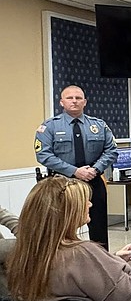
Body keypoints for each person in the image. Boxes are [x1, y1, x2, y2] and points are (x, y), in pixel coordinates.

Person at [5, 176, 131, 301]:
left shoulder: (24, 255)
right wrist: (130, 264)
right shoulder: (82, 254)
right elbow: (127, 298)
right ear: (67, 212)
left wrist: (111, 260)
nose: (90, 204)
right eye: (84, 201)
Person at [34, 85, 118, 248]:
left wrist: (95, 169)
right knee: (60, 225)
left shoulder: (99, 125)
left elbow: (111, 150)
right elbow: (43, 154)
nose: (74, 101)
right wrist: (74, 171)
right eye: (70, 98)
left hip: (93, 181)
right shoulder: (49, 126)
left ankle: (101, 260)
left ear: (85, 102)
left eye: (78, 98)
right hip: (62, 183)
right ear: (61, 102)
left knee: (98, 226)